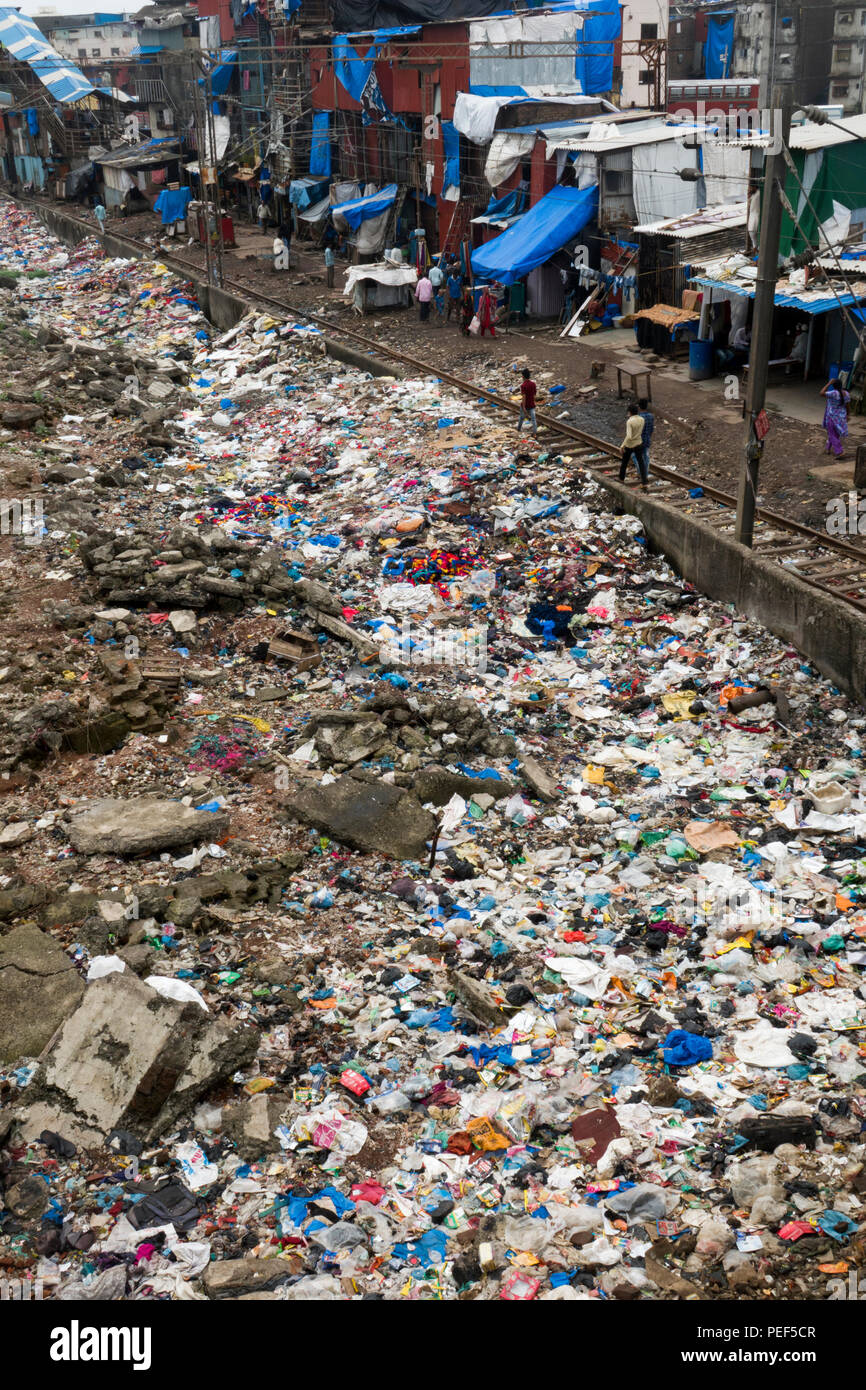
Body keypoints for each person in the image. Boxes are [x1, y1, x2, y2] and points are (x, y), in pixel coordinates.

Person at [619, 402, 648, 489]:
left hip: (630, 445)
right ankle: (644, 481)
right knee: (641, 462)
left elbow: (629, 436)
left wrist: (622, 446)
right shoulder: (642, 419)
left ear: (630, 412)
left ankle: (621, 478)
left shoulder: (629, 421)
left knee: (624, 462)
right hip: (639, 443)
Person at [821, 375, 851, 457]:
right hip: (841, 418)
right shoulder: (847, 394)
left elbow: (821, 393)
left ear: (833, 386)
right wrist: (848, 415)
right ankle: (828, 448)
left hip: (831, 417)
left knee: (831, 434)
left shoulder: (833, 393)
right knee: (834, 434)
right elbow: (848, 406)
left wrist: (828, 383)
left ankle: (840, 451)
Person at [517, 368, 537, 437]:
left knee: (521, 418)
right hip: (532, 405)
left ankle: (518, 429)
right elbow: (534, 395)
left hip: (525, 405)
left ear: (523, 376)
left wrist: (524, 407)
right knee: (533, 419)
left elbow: (524, 397)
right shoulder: (533, 384)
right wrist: (534, 403)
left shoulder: (523, 386)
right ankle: (534, 433)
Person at [637, 396, 654, 475]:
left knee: (635, 456)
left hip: (639, 440)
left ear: (639, 407)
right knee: (646, 456)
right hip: (647, 439)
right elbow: (651, 429)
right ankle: (645, 473)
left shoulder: (639, 417)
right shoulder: (651, 416)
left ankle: (641, 473)